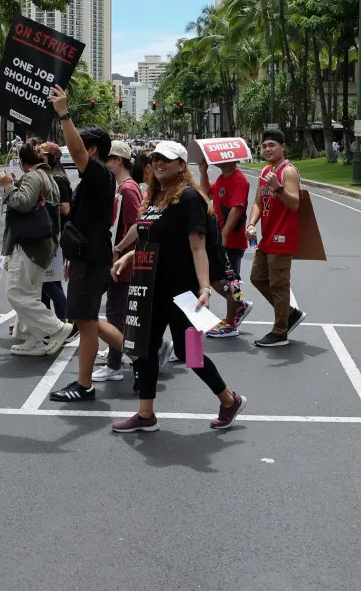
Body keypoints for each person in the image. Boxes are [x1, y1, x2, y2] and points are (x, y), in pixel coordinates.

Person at [109, 141, 247, 432]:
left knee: (189, 353)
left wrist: (205, 289)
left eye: (166, 160)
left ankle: (228, 400)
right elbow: (154, 239)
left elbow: (197, 246)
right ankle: (146, 414)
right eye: (155, 158)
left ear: (182, 165)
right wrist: (130, 254)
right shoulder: (156, 196)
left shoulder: (187, 197)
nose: (159, 164)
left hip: (181, 292)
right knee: (145, 348)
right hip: (151, 287)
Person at [47, 85, 128, 403]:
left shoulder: (97, 173)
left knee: (85, 320)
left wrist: (64, 114)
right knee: (88, 317)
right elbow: (84, 223)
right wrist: (71, 255)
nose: (73, 149)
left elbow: (77, 151)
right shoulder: (96, 179)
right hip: (86, 256)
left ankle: (84, 385)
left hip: (92, 259)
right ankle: (142, 354)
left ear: (93, 150)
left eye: (81, 144)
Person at [1, 138, 74, 356]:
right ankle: (33, 339)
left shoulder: (33, 175)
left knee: (15, 292)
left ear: (23, 162)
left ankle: (56, 328)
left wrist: (6, 187)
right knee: (31, 293)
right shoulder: (46, 175)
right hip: (41, 243)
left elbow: (23, 203)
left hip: (29, 244)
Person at [245, 128, 304, 348]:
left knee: (279, 285)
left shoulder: (287, 171)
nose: (268, 149)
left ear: (283, 147)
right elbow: (258, 203)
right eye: (264, 145)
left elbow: (294, 203)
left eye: (272, 145)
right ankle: (289, 313)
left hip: (283, 237)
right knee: (257, 277)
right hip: (267, 237)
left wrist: (277, 187)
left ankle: (280, 331)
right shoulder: (265, 171)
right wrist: (251, 224)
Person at [93, 141, 145, 382]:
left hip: (123, 262)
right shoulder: (123, 187)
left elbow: (138, 224)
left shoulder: (127, 189)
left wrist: (119, 248)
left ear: (119, 161)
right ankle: (120, 354)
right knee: (119, 311)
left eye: (109, 158)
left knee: (115, 313)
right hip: (122, 260)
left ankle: (114, 366)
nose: (106, 162)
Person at [198, 157, 254, 339]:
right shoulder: (222, 178)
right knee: (215, 279)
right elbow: (206, 193)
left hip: (231, 240)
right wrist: (203, 171)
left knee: (231, 281)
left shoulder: (239, 179)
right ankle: (239, 304)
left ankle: (231, 323)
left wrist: (224, 235)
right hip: (220, 238)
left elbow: (236, 210)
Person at [39, 141, 73, 320]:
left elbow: (65, 208)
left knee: (48, 282)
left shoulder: (58, 178)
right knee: (48, 282)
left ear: (51, 158)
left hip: (56, 235)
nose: (40, 158)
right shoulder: (48, 175)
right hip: (49, 233)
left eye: (43, 155)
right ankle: (52, 321)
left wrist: (41, 203)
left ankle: (64, 318)